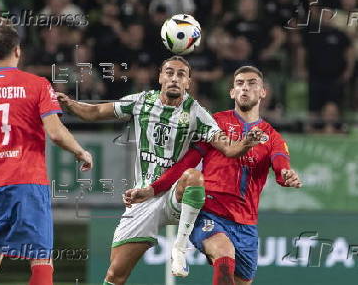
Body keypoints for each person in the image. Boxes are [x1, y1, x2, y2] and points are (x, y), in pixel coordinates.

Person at [56, 56, 262, 284]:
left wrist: (245, 143)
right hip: (144, 198)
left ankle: (179, 249)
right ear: (160, 77)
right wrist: (70, 105)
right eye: (170, 73)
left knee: (194, 177)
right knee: (115, 274)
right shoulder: (141, 102)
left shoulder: (197, 113)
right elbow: (94, 112)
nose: (175, 78)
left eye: (181, 74)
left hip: (175, 195)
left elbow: (228, 148)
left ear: (188, 82)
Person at [125, 65, 302, 285]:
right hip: (211, 212)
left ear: (263, 91)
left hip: (246, 223)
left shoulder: (272, 136)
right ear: (232, 92)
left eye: (252, 83)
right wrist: (154, 188)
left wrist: (286, 174)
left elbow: (280, 163)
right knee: (223, 251)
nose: (245, 88)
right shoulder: (215, 123)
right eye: (239, 83)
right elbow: (188, 162)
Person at [0, 25, 93, 285]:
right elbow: (56, 133)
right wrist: (80, 151)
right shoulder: (37, 85)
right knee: (41, 257)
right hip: (29, 181)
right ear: (17, 50)